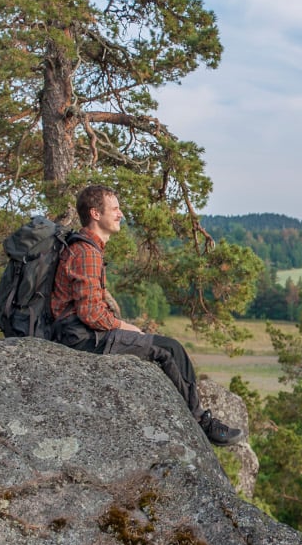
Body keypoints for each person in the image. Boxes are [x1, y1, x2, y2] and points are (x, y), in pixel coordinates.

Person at [50, 184, 242, 446]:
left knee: (155, 343)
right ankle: (202, 423)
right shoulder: (86, 252)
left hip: (80, 333)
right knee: (171, 349)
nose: (120, 214)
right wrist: (121, 325)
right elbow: (90, 313)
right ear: (96, 214)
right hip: (82, 338)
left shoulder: (86, 248)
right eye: (115, 209)